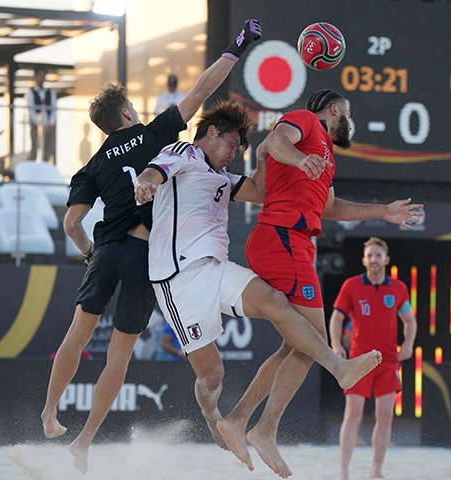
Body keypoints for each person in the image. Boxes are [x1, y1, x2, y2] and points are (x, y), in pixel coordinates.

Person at [40, 18, 263, 475]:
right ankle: (83, 442)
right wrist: (236, 47)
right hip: (148, 258)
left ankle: (48, 414)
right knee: (117, 356)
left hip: (108, 250)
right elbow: (202, 90)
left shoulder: (92, 164)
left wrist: (89, 252)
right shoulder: (152, 135)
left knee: (77, 336)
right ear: (126, 114)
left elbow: (70, 223)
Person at [134, 99, 382, 470]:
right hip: (179, 279)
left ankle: (326, 371)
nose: (235, 153)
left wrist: (265, 161)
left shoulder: (224, 177)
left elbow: (260, 191)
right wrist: (144, 183)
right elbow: (156, 171)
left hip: (217, 269)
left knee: (276, 303)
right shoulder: (183, 151)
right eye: (232, 144)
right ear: (211, 133)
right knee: (212, 375)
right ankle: (211, 413)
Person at [218, 89, 424, 478]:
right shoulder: (307, 121)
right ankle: (264, 426)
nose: (351, 119)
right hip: (284, 237)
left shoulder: (326, 156)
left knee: (298, 345)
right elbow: (275, 140)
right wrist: (300, 157)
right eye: (349, 112)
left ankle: (242, 421)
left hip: (292, 241)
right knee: (313, 342)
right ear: (334, 109)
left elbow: (331, 208)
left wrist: (385, 212)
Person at [328, 237, 417, 480]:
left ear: (386, 259)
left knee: (385, 416)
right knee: (353, 413)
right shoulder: (351, 286)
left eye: (378, 255)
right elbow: (337, 318)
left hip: (388, 360)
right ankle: (344, 471)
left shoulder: (398, 288)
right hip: (360, 359)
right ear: (363, 260)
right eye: (370, 255)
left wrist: (408, 344)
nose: (374, 259)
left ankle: (376, 471)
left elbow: (409, 320)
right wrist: (336, 344)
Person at [27, 66, 57, 162]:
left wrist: (50, 123)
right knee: (35, 146)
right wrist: (38, 122)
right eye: (39, 75)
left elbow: (53, 109)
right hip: (36, 123)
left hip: (48, 124)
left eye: (43, 76)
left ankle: (46, 162)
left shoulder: (50, 93)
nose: (41, 78)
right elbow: (31, 110)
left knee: (48, 147)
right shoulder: (30, 92)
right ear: (35, 77)